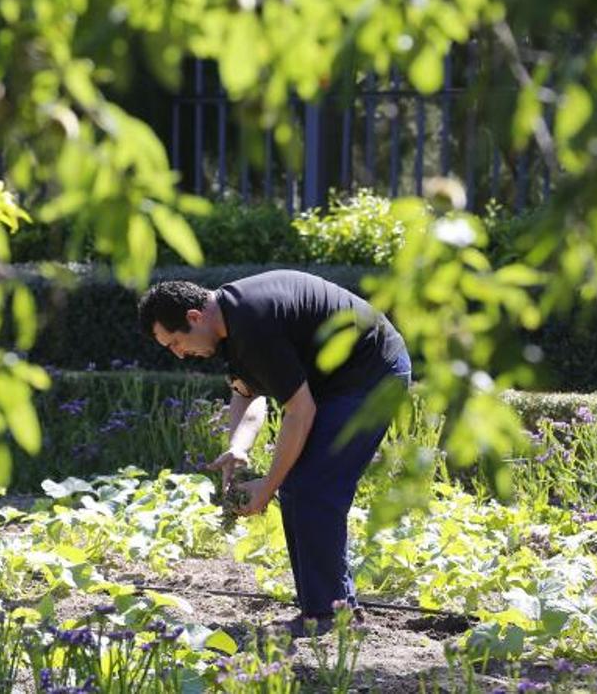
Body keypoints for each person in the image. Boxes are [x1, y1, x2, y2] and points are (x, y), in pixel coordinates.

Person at [138, 270, 411, 630]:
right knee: (301, 486)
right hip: (337, 381)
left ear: (193, 318)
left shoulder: (252, 324)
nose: (179, 355)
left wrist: (266, 489)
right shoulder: (229, 323)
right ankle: (331, 608)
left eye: (174, 343)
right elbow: (246, 393)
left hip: (372, 374)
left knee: (311, 486)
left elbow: (300, 411)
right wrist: (237, 447)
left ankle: (328, 614)